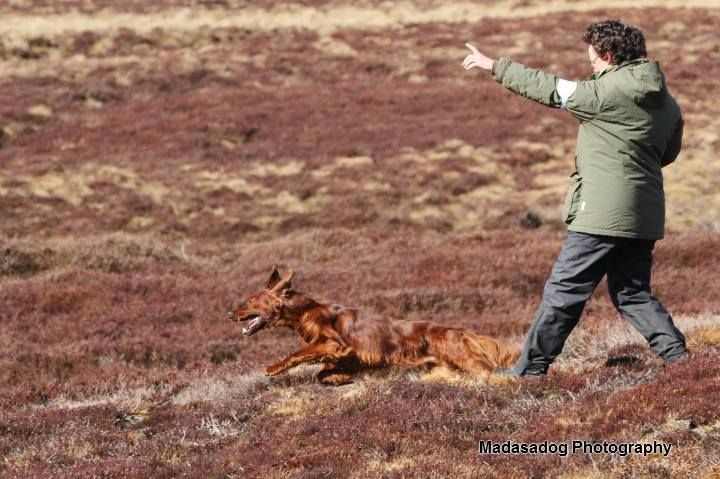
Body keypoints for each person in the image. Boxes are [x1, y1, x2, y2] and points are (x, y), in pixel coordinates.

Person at [462, 19, 689, 377]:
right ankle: (680, 359)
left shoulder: (602, 93)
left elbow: (548, 88)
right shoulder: (668, 103)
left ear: (609, 56)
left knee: (564, 292)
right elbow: (668, 154)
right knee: (633, 294)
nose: (591, 68)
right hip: (644, 216)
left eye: (593, 62)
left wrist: (494, 65)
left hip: (601, 214)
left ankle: (530, 371)